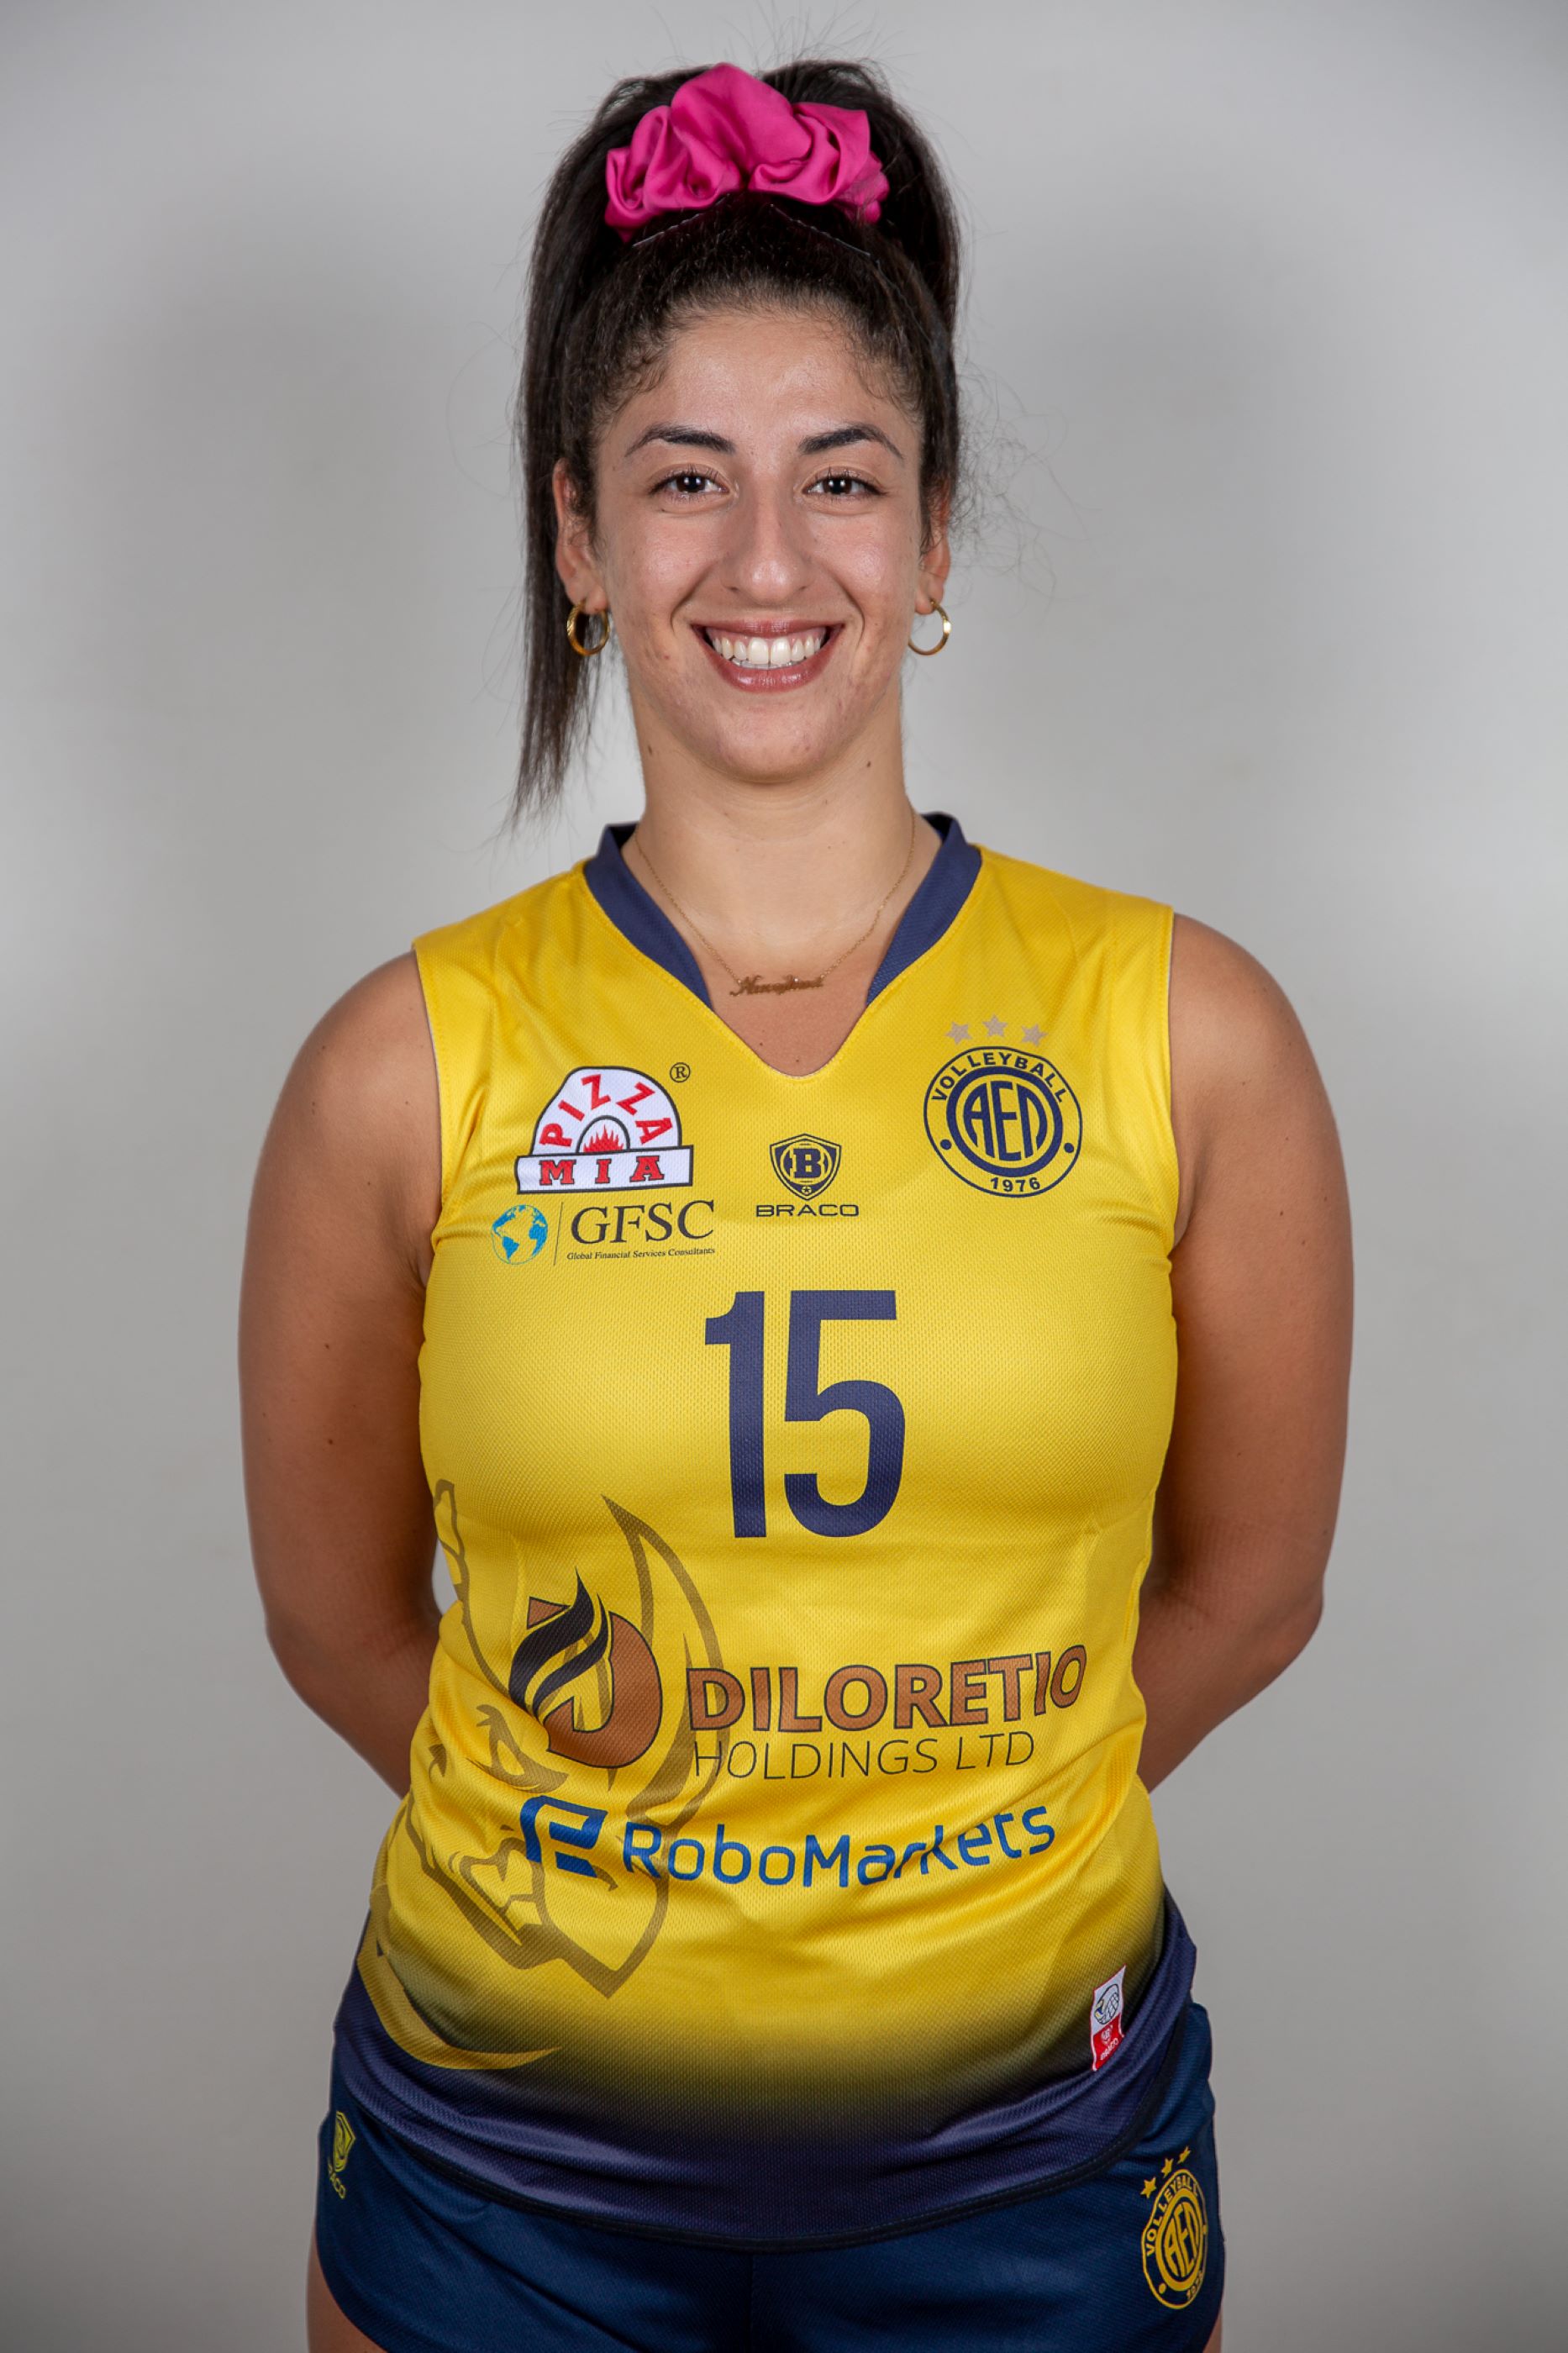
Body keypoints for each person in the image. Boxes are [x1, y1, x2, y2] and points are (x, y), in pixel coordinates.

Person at [239, 57, 1352, 2353]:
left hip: (1028, 2169)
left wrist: (948, 1849)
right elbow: (339, 1622)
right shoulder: (398, 1068)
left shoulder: (1189, 1033)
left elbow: (1251, 1590)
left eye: (841, 479)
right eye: (685, 481)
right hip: (502, 2175)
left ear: (931, 541)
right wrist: (651, 1878)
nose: (767, 564)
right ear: (575, 537)